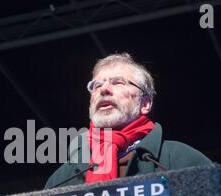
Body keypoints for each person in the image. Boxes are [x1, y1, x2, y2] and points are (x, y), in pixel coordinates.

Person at [45, 52, 211, 188]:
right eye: (96, 85)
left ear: (145, 103)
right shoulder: (62, 178)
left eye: (118, 82)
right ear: (90, 107)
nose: (104, 89)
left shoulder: (182, 160)